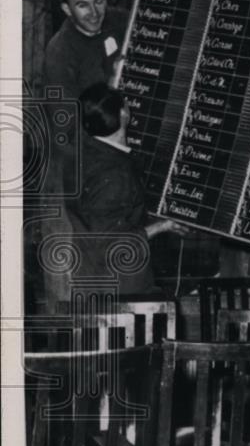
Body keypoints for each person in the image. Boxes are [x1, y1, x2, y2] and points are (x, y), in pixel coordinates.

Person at [70, 82, 187, 294]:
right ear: (124, 114)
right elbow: (107, 240)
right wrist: (161, 227)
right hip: (122, 291)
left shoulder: (84, 157)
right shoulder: (115, 172)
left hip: (91, 284)